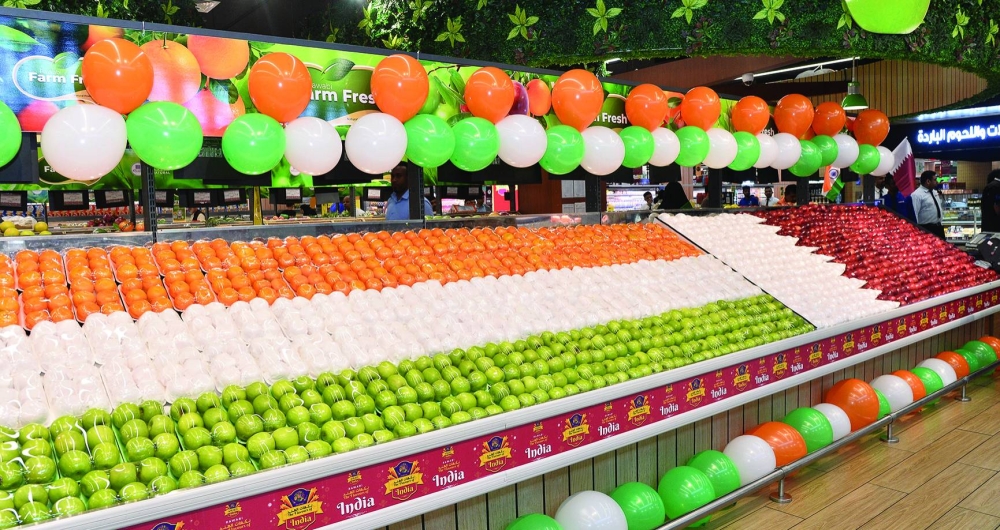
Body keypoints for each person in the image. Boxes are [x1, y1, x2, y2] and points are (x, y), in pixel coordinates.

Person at [911, 170, 945, 239]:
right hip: (926, 229)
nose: (937, 182)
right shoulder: (917, 195)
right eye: (935, 180)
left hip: (938, 227)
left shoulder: (935, 192)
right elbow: (915, 214)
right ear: (928, 181)